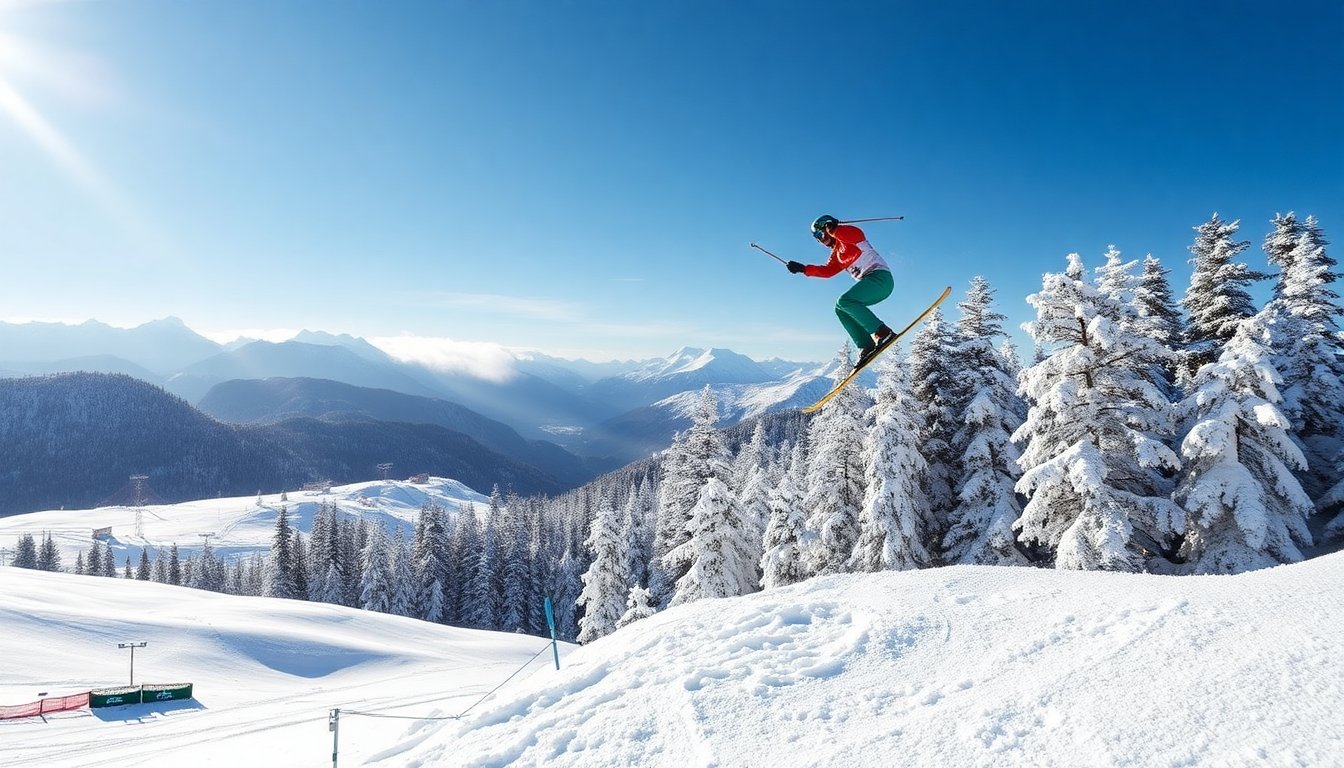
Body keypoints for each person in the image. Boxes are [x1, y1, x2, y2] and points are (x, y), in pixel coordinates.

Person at [786, 214, 894, 370]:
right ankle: (866, 344)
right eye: (817, 238)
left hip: (880, 279)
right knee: (840, 308)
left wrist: (834, 229)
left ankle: (882, 332)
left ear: (827, 228)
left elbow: (851, 234)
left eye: (820, 235)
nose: (820, 241)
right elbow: (827, 271)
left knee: (845, 301)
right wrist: (803, 269)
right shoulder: (837, 254)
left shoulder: (851, 236)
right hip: (870, 285)